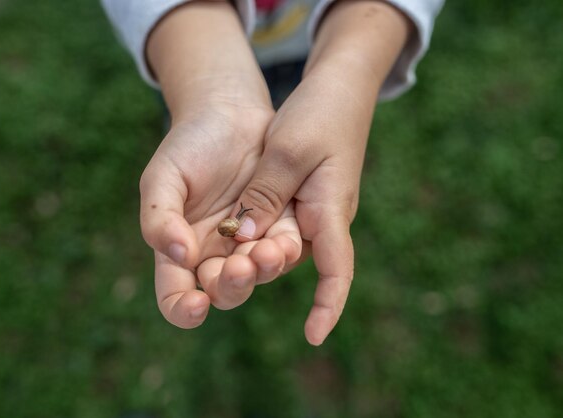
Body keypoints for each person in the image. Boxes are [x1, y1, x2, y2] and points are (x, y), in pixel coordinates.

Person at [101, 0, 444, 345]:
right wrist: (210, 90)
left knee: (293, 102)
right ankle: (202, 115)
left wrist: (346, 79)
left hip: (317, 39)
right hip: (188, 47)